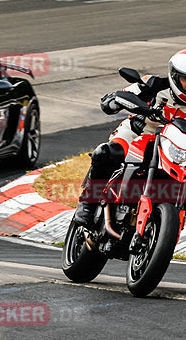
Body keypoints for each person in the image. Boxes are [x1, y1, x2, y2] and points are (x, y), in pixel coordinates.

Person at [73, 49, 186, 226]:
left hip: (175, 146)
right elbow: (114, 98)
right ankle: (88, 201)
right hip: (139, 132)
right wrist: (114, 101)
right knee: (108, 153)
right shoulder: (154, 84)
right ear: (174, 76)